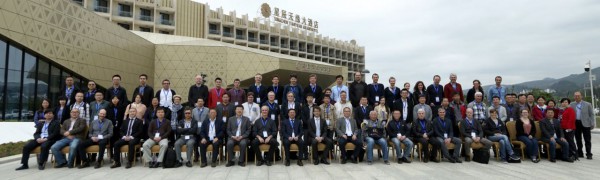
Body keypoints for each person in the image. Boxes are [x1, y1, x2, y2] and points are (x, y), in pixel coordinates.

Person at [569, 91, 594, 159]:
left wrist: (592, 123)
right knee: (578, 139)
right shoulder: (571, 104)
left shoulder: (588, 104)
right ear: (574, 97)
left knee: (587, 139)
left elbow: (591, 114)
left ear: (581, 96)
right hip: (576, 123)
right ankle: (580, 153)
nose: (577, 97)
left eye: (578, 96)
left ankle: (589, 153)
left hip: (586, 123)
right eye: (575, 96)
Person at [192, 98, 209, 162]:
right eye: (199, 101)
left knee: (203, 143)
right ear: (197, 102)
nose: (200, 102)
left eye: (201, 101)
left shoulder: (207, 109)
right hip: (196, 129)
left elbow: (208, 119)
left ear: (203, 102)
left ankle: (203, 156)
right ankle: (196, 156)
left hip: (204, 130)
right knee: (195, 143)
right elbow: (193, 119)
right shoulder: (193, 110)